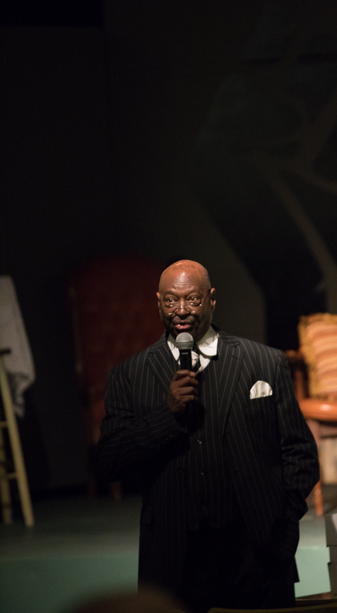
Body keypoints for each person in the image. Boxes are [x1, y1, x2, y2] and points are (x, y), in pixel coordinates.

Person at [96, 260, 319, 613]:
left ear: (212, 300)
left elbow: (300, 452)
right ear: (158, 302)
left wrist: (280, 520)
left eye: (192, 300)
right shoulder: (129, 375)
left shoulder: (263, 362)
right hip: (174, 559)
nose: (181, 311)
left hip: (255, 552)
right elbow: (109, 461)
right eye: (170, 301)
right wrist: (166, 415)